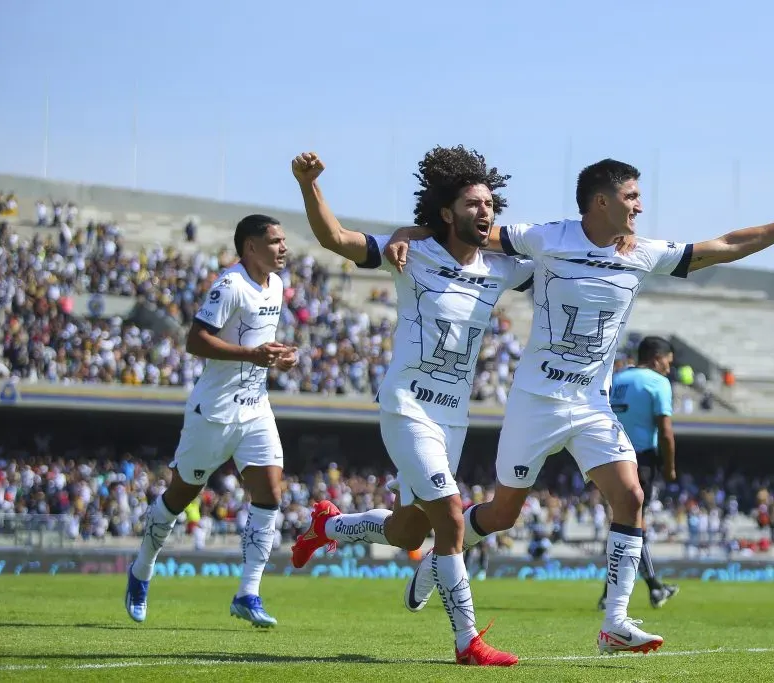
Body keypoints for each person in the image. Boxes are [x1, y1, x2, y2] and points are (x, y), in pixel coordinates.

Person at [389, 158, 774, 654]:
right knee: (502, 515)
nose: (640, 206)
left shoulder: (643, 252)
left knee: (630, 496)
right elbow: (466, 230)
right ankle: (440, 557)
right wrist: (404, 231)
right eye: (631, 196)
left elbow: (725, 246)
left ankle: (615, 622)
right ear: (601, 202)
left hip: (591, 404)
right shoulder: (545, 238)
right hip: (536, 402)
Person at [288, 147, 528, 666]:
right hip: (407, 405)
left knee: (408, 530)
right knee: (451, 517)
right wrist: (310, 186)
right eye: (472, 204)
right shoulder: (411, 254)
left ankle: (327, 526)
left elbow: (557, 265)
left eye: (489, 204)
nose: (484, 212)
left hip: (453, 417)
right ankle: (468, 643)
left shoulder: (502, 268)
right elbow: (336, 239)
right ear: (446, 213)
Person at [125, 214, 297, 627]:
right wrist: (252, 356)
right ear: (250, 247)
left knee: (270, 492)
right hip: (215, 413)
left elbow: (260, 345)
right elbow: (194, 340)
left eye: (283, 240)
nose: (283, 248)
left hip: (255, 406)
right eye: (274, 241)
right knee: (179, 498)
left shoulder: (275, 285)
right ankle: (142, 568)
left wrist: (281, 356)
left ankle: (248, 593)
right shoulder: (230, 284)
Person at [597, 335, 680, 611]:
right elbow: (666, 432)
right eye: (667, 363)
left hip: (609, 455)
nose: (668, 369)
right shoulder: (658, 383)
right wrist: (669, 469)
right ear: (656, 359)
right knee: (633, 525)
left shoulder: (617, 379)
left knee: (622, 523)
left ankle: (609, 592)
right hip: (641, 459)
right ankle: (655, 587)